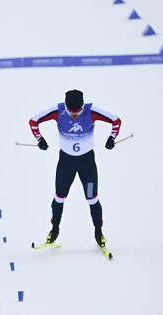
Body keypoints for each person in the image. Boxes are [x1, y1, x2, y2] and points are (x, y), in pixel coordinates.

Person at [29, 89, 121, 247]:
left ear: (82, 107)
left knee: (92, 199)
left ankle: (98, 232)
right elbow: (33, 121)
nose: (74, 115)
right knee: (59, 197)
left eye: (78, 112)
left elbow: (116, 120)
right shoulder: (57, 111)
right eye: (71, 112)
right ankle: (54, 229)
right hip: (66, 163)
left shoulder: (91, 111)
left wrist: (112, 138)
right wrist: (40, 139)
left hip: (87, 164)